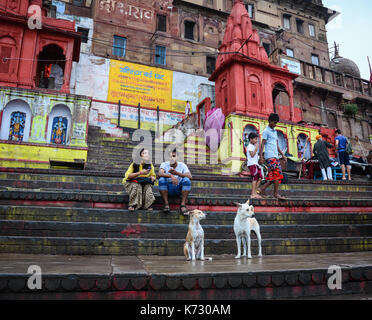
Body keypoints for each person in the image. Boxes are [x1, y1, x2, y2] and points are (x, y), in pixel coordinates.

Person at [257, 113, 287, 200]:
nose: (275, 124)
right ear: (269, 121)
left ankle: (261, 189)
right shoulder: (266, 131)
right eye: (274, 122)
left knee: (273, 176)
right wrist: (261, 157)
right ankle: (276, 194)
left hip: (275, 156)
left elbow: (277, 145)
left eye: (276, 123)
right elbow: (262, 144)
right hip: (269, 156)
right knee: (277, 175)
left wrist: (282, 155)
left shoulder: (275, 132)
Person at [158, 149, 192, 214]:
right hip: (168, 189)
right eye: (170, 156)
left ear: (177, 157)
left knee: (187, 180)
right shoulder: (164, 164)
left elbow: (190, 176)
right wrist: (171, 176)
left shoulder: (182, 165)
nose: (172, 158)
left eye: (174, 156)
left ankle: (182, 205)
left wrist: (176, 173)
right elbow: (160, 174)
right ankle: (166, 204)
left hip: (178, 189)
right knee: (161, 179)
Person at [247, 132, 263, 199]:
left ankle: (255, 193)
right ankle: (252, 194)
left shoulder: (253, 146)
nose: (256, 141)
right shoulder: (250, 146)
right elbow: (252, 155)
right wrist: (256, 149)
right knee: (255, 178)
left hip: (256, 164)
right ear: (251, 139)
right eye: (255, 139)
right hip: (252, 164)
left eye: (257, 139)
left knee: (260, 178)